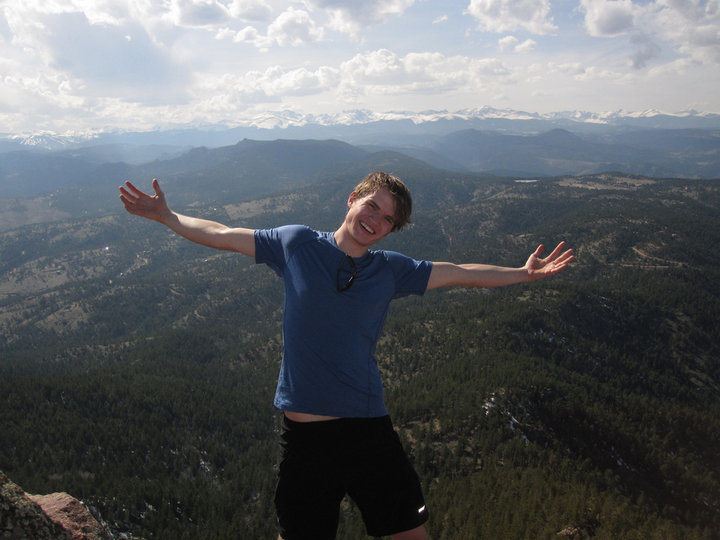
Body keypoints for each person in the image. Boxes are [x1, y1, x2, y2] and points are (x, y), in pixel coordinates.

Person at [119, 172, 574, 540]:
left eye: (387, 218)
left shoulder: (391, 270)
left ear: (392, 230)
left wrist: (521, 274)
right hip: (305, 440)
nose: (375, 219)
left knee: (409, 534)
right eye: (371, 205)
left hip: (366, 430)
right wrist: (168, 217)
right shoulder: (296, 244)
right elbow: (221, 234)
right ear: (352, 199)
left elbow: (460, 273)